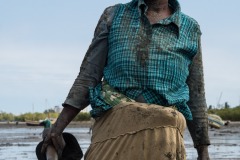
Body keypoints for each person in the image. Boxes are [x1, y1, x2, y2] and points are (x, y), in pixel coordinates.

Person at [41, 0, 210, 159]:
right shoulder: (114, 15)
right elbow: (88, 75)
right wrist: (58, 128)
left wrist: (203, 151)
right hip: (112, 135)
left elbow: (196, 94)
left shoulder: (190, 28)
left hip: (164, 142)